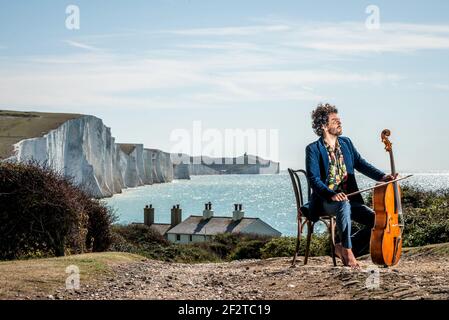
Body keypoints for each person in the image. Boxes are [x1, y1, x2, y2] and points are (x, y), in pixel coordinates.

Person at [305, 103, 397, 269]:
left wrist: (383, 176)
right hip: (326, 200)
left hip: (349, 199)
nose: (340, 123)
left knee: (379, 221)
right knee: (342, 203)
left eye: (339, 120)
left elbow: (361, 164)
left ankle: (345, 246)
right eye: (335, 121)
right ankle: (347, 252)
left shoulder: (346, 143)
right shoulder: (313, 149)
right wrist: (331, 194)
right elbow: (313, 179)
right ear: (324, 126)